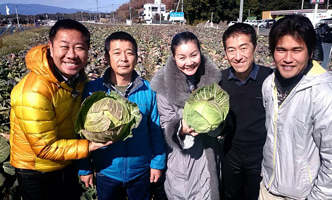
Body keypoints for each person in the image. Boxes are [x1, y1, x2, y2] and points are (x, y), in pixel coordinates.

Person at [9, 19, 111, 200]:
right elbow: (45, 148)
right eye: (64, 46)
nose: (71, 55)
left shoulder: (77, 79)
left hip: (66, 160)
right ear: (51, 47)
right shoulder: (34, 91)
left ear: (88, 50)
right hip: (37, 170)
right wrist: (91, 145)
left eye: (79, 47)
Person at [260, 15, 332, 200]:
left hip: (304, 195)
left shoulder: (328, 97)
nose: (288, 58)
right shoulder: (269, 84)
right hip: (268, 189)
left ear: (310, 52)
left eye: (297, 50)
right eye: (281, 50)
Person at [77, 31, 166, 200]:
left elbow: (156, 130)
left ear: (136, 56)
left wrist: (157, 163)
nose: (124, 58)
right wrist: (84, 168)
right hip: (106, 171)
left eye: (129, 52)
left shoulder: (149, 90)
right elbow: (81, 131)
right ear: (106, 57)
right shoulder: (92, 90)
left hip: (141, 170)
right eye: (117, 53)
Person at [150, 31, 222, 200]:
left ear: (200, 53)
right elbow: (166, 124)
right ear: (174, 58)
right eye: (182, 57)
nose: (189, 62)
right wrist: (182, 128)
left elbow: (221, 115)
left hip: (209, 157)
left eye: (194, 55)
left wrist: (215, 122)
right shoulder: (163, 86)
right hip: (182, 162)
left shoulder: (214, 80)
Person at [219, 23, 273, 200]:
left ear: (254, 48)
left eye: (244, 48)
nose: (238, 56)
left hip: (262, 157)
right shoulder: (220, 82)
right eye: (231, 50)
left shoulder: (270, 79)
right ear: (225, 52)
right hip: (230, 154)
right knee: (230, 195)